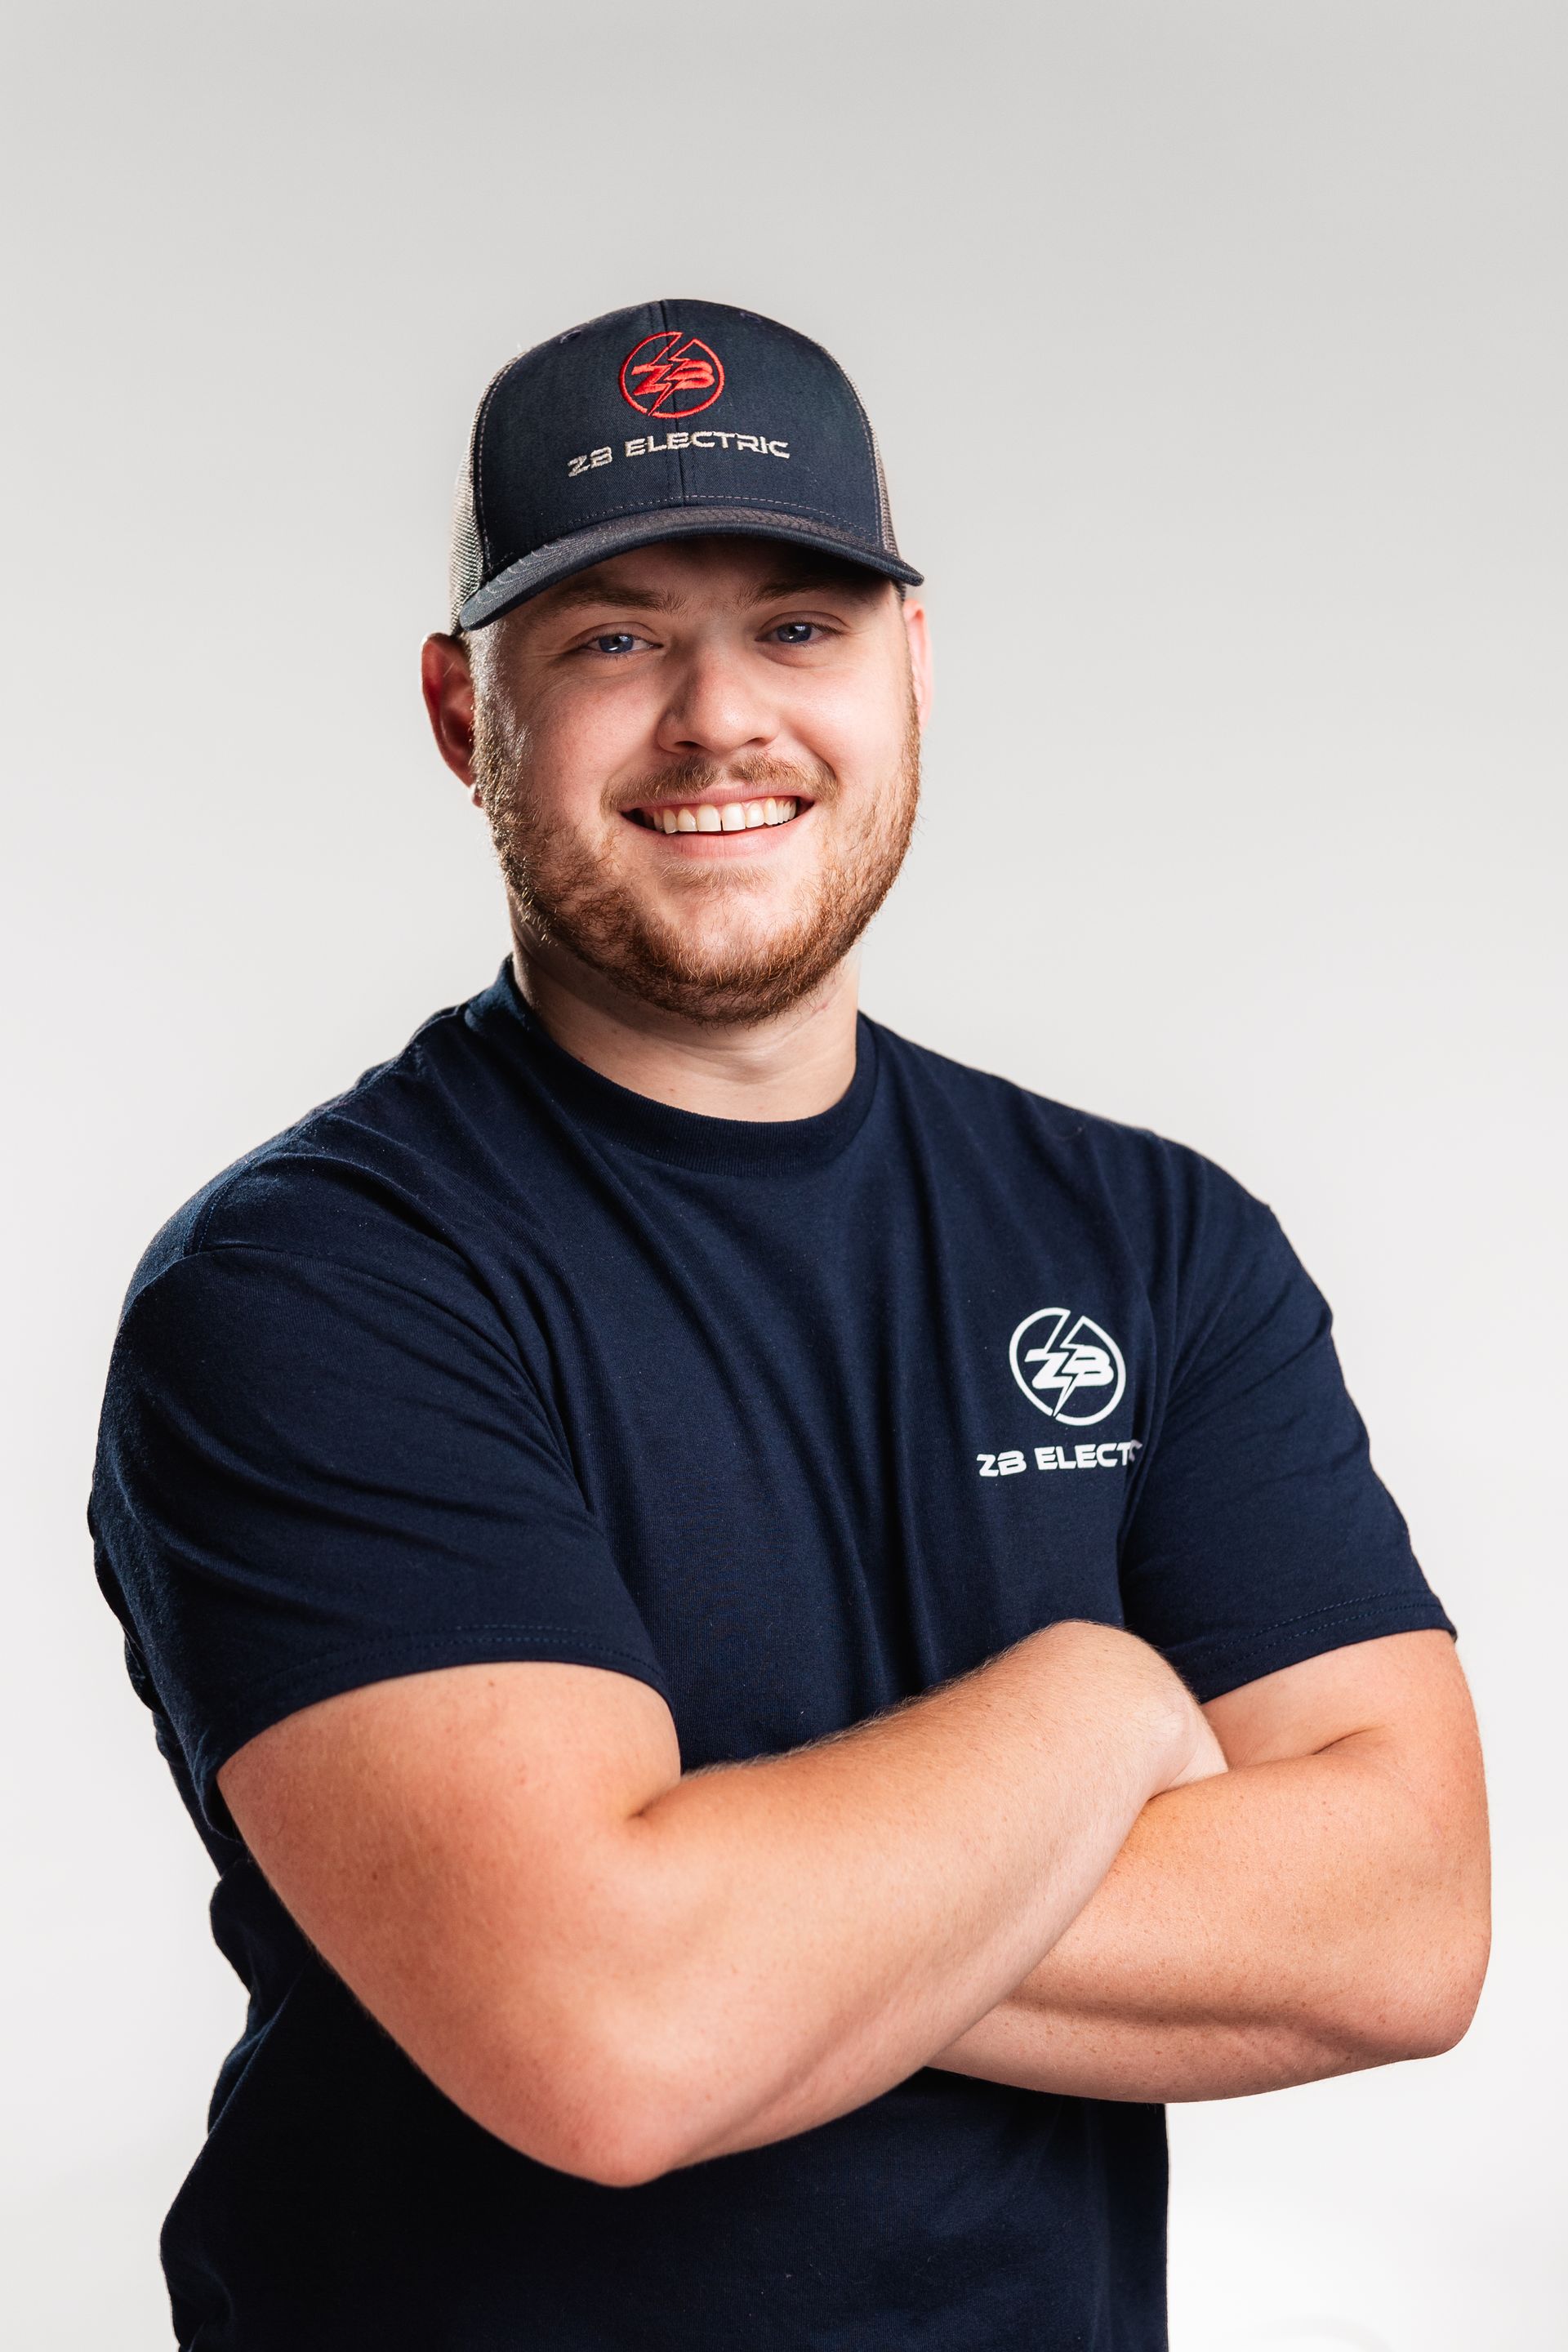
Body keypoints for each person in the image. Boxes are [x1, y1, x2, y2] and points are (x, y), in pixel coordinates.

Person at [90, 298, 1490, 2352]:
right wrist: (1094, 1709)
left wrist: (726, 1902)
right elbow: (615, 2035)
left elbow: (1403, 1931)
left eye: (803, 627)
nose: (718, 717)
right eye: (611, 638)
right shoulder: (314, 1288)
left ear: (915, 669)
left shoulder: (1159, 1243)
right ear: (464, 715)